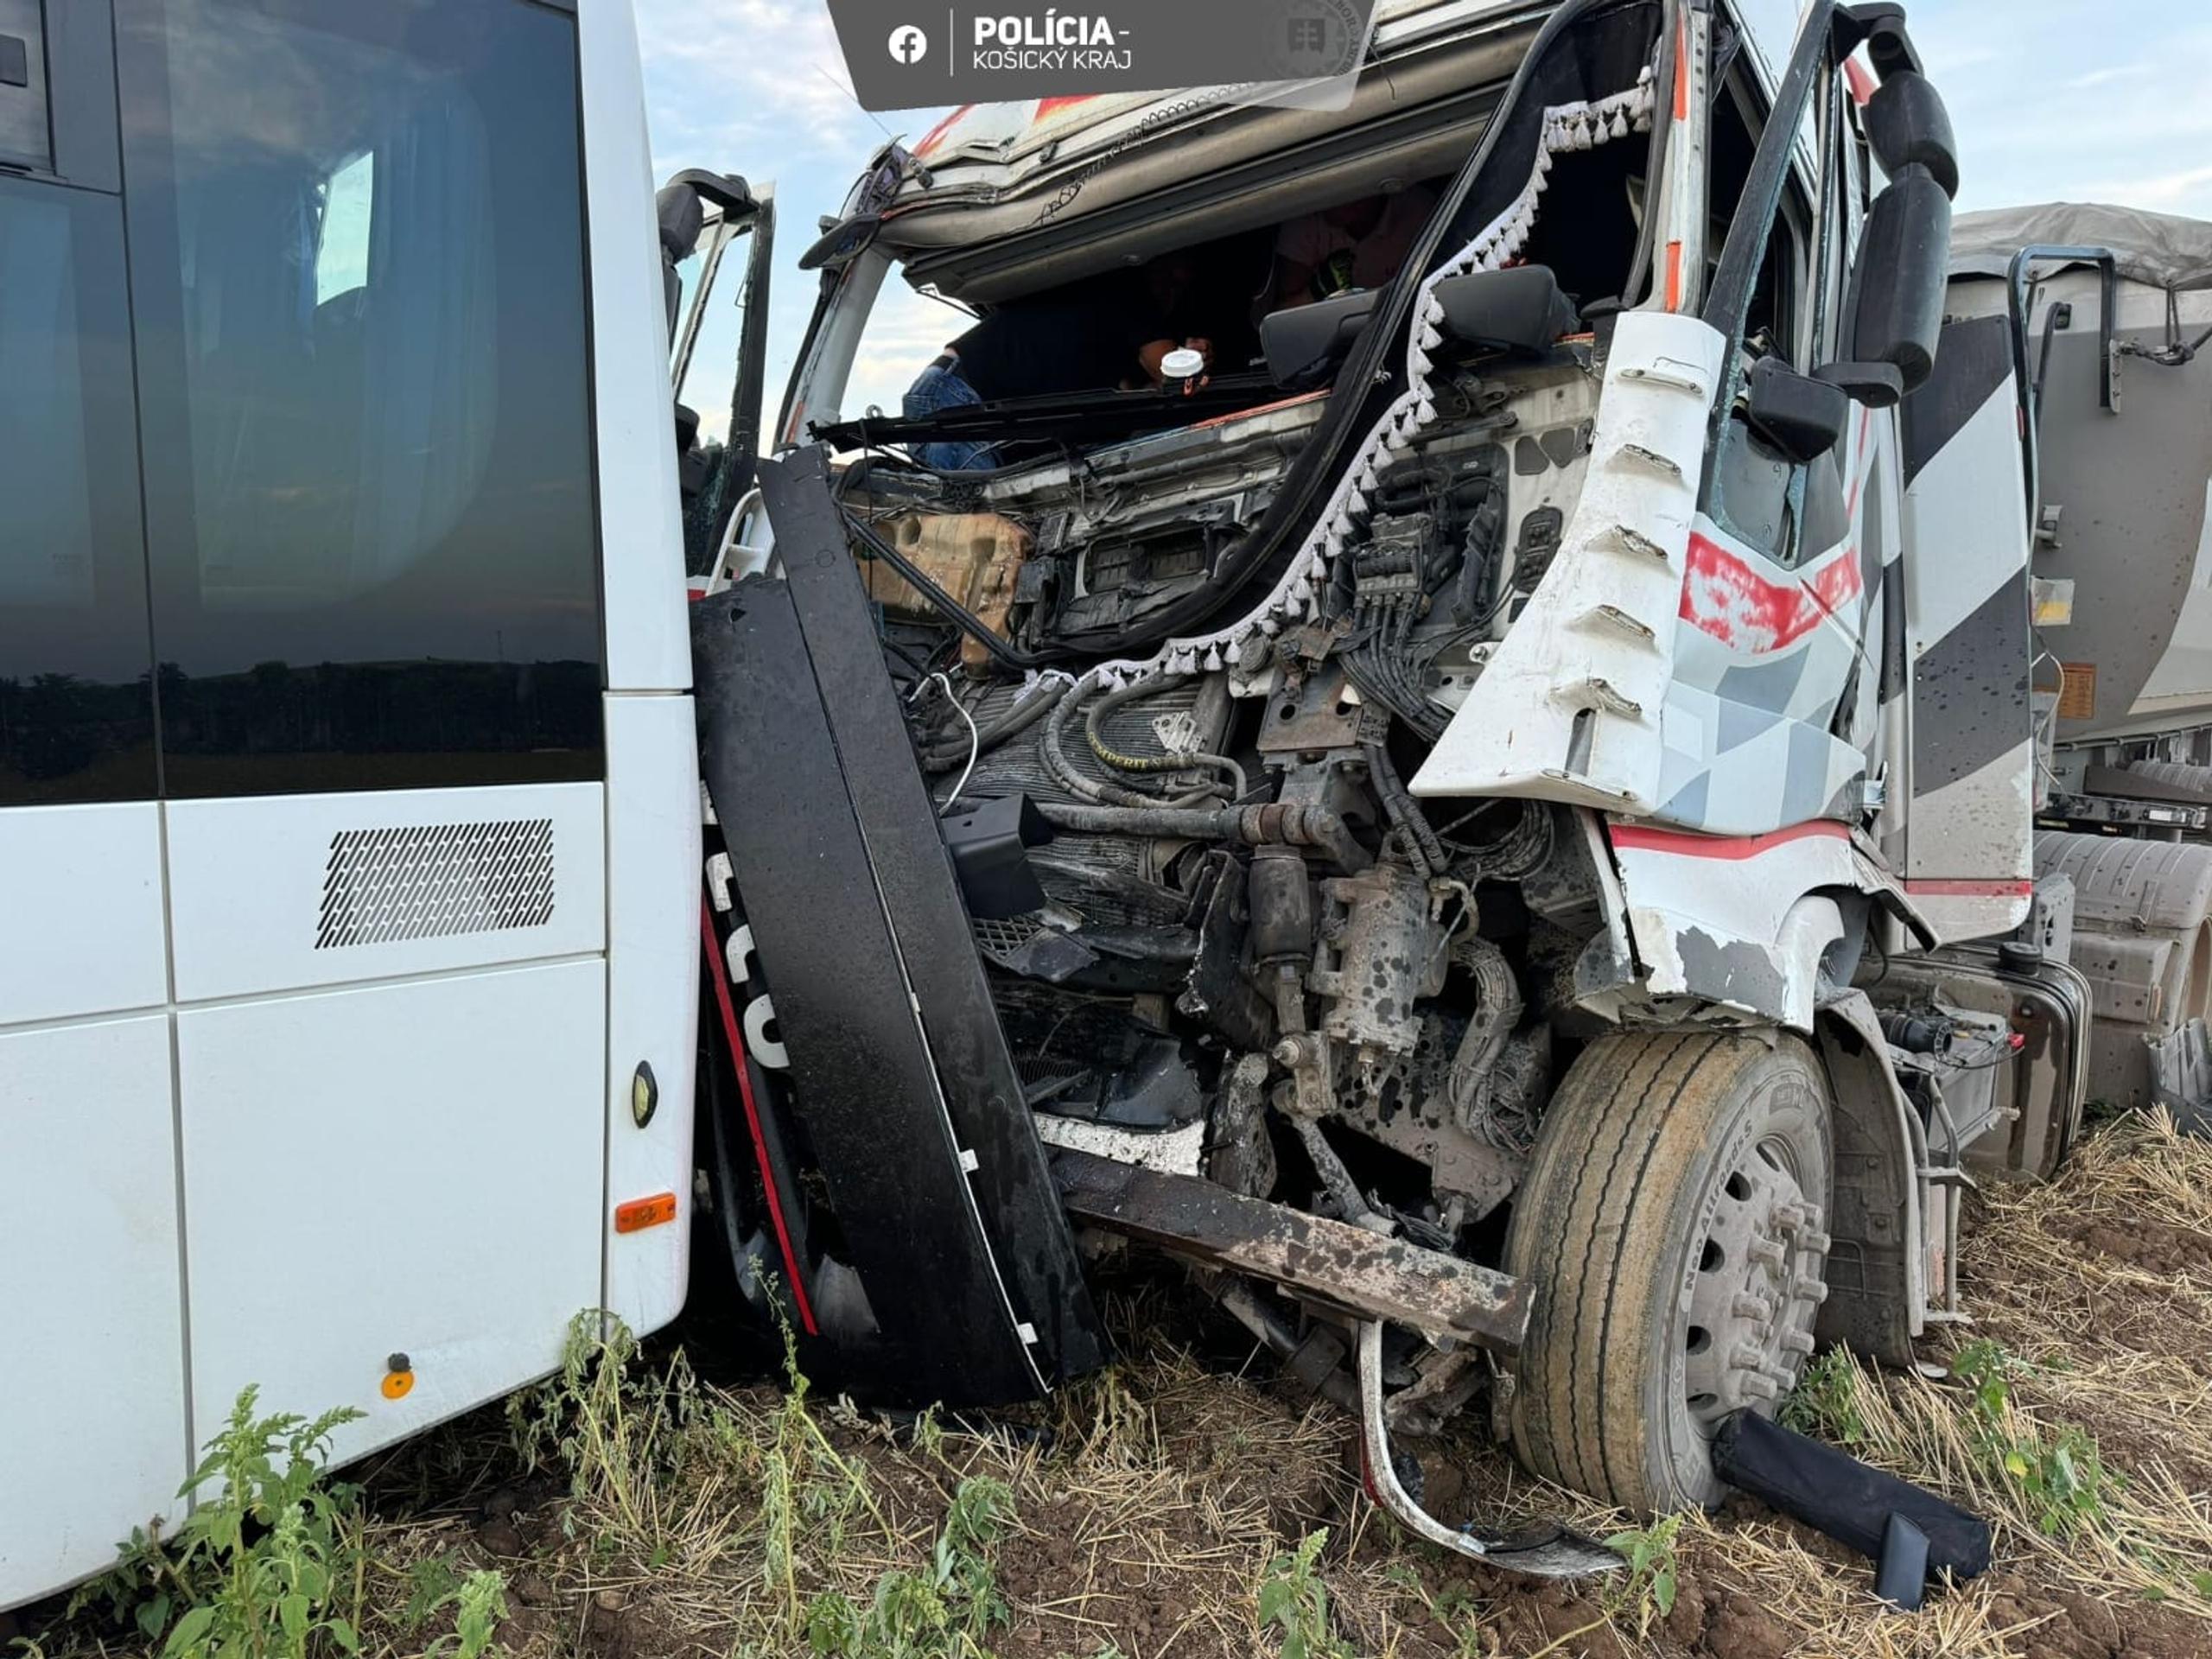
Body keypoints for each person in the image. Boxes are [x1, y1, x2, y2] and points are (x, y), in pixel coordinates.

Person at [902, 256, 1213, 470]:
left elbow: (1138, 395)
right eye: (1169, 278)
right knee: (977, 531)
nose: (1170, 291)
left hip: (956, 398)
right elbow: (1170, 372)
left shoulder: (1104, 340)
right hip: (957, 397)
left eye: (1179, 287)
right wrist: (1192, 361)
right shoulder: (1127, 291)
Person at [1271, 185, 1440, 310]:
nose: (1328, 200)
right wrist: (1316, 291)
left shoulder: (1417, 211)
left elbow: (1440, 287)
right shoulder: (1306, 219)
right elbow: (1281, 313)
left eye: (1340, 190)